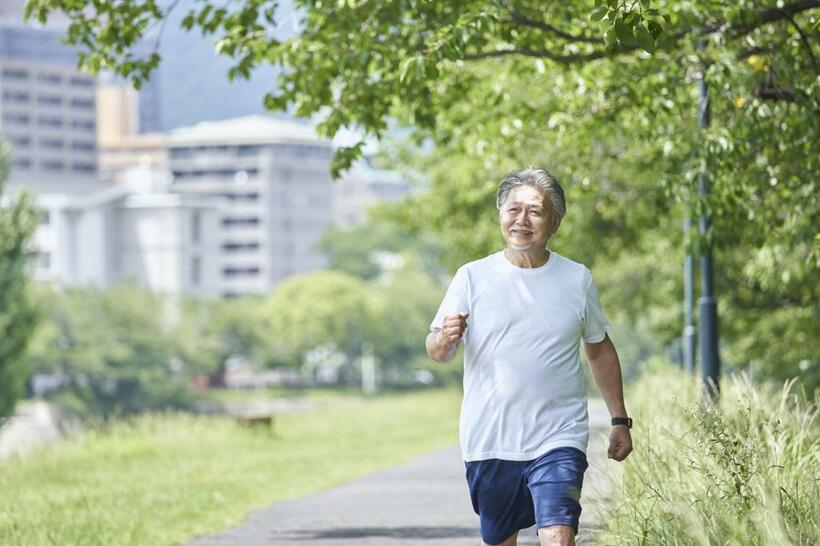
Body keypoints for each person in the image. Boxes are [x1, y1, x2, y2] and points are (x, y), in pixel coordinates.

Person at [426, 167, 633, 546]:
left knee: (558, 533)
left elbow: (599, 348)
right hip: (489, 439)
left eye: (535, 211)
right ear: (501, 215)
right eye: (513, 209)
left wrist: (620, 419)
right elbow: (438, 350)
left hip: (559, 435)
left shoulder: (577, 279)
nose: (522, 220)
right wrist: (446, 337)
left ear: (555, 222)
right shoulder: (472, 277)